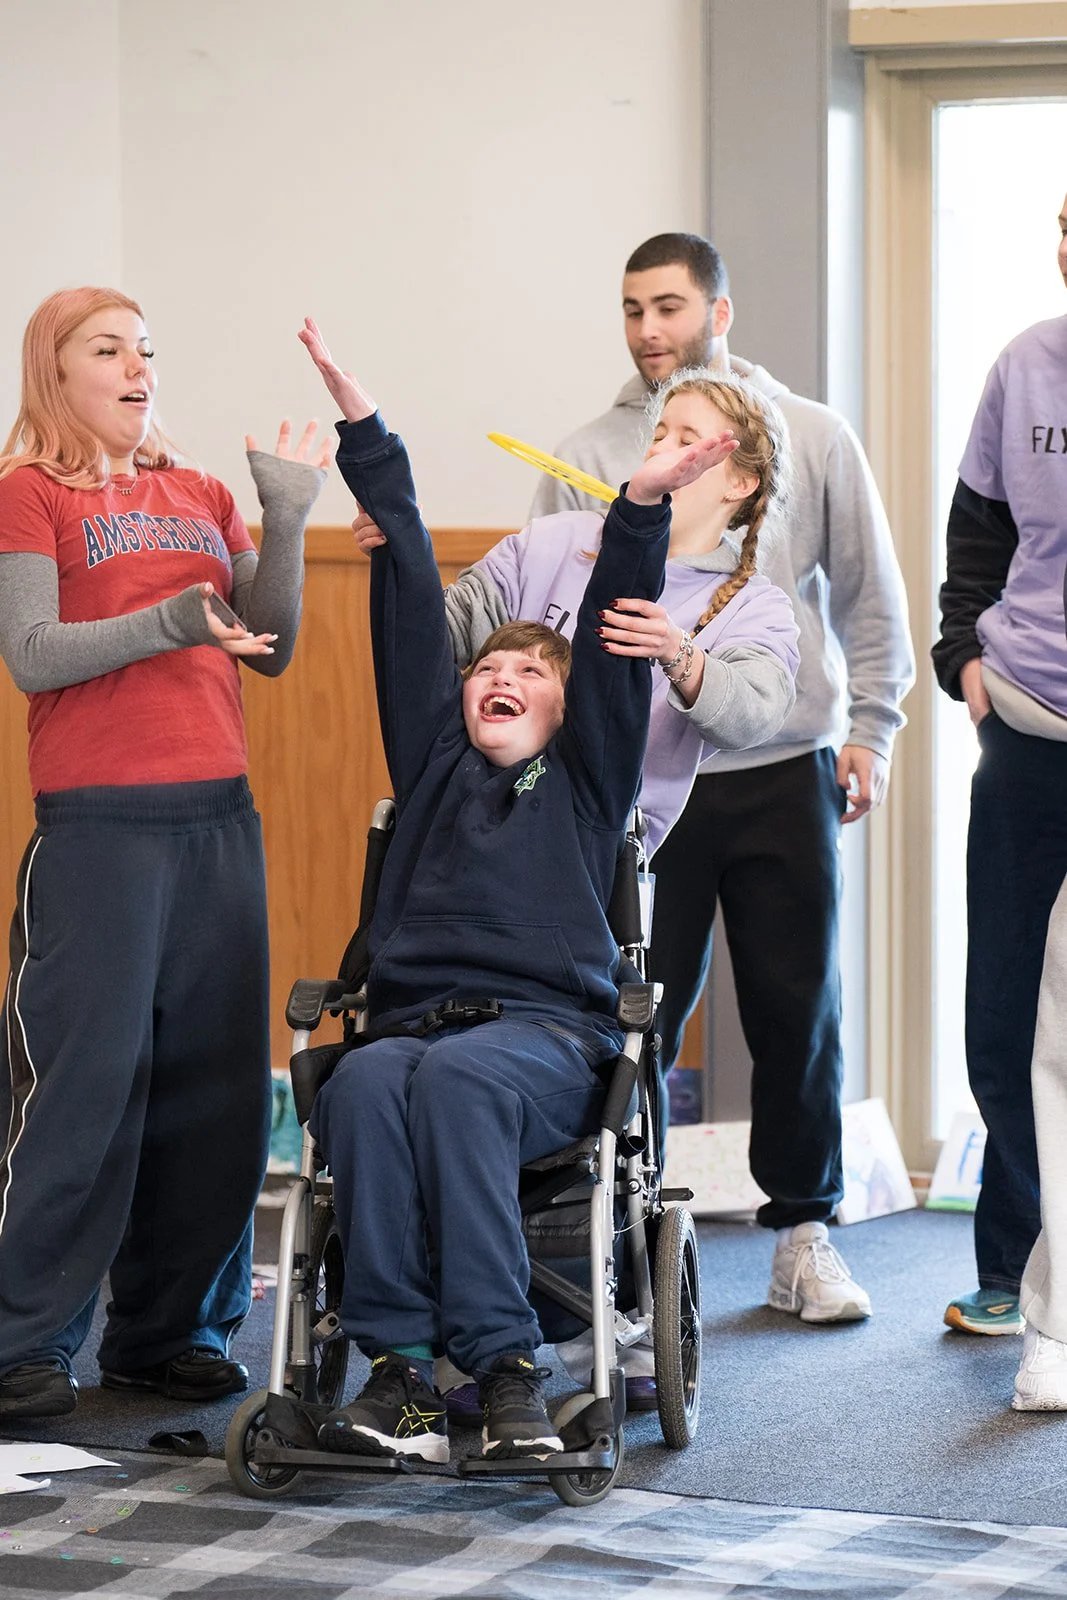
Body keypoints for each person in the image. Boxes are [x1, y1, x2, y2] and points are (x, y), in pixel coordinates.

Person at [297, 318, 737, 1462]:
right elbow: (402, 586)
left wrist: (637, 511)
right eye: (488, 666)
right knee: (360, 1084)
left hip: (542, 1034)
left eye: (528, 672)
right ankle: (396, 1376)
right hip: (415, 1022)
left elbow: (606, 640)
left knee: (452, 1083)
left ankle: (499, 1370)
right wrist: (366, 433)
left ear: (562, 706)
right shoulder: (434, 762)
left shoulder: (589, 778)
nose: (500, 675)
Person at [530, 232, 915, 1324]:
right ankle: (626, 1236)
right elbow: (540, 621)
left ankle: (804, 1232)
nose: (649, 331)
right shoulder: (588, 449)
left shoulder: (810, 436)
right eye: (630, 311)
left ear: (719, 313)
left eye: (668, 307)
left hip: (781, 761)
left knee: (799, 1008)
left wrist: (871, 732)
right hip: (646, 780)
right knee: (634, 1012)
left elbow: (868, 597)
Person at [0, 286, 330, 1421]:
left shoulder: (194, 491)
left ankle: (171, 1330)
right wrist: (171, 623)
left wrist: (281, 518)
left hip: (216, 823)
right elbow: (34, 654)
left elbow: (272, 643)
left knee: (218, 1090)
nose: (138, 366)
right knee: (84, 1091)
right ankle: (21, 1338)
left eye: (146, 349)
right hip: (98, 832)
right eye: (109, 349)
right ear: (56, 371)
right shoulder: (25, 494)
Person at [932, 193, 1067, 1340]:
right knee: (1005, 1007)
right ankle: (1008, 1255)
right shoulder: (1022, 366)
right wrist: (962, 660)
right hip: (1025, 725)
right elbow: (974, 535)